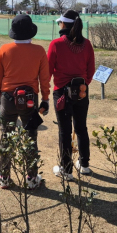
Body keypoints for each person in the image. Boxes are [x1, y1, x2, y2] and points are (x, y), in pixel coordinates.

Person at [0, 14, 50, 190]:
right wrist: (46, 99)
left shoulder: (4, 49)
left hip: (8, 99)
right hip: (30, 100)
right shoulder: (39, 51)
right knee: (30, 138)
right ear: (31, 32)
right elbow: (44, 78)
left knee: (5, 138)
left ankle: (4, 177)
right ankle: (32, 178)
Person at [47, 10, 96, 180]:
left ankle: (66, 169)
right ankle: (84, 164)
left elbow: (48, 70)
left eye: (59, 22)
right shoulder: (87, 44)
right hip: (81, 90)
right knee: (81, 128)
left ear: (63, 24)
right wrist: (83, 85)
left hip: (61, 91)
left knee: (65, 130)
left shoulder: (56, 44)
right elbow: (91, 71)